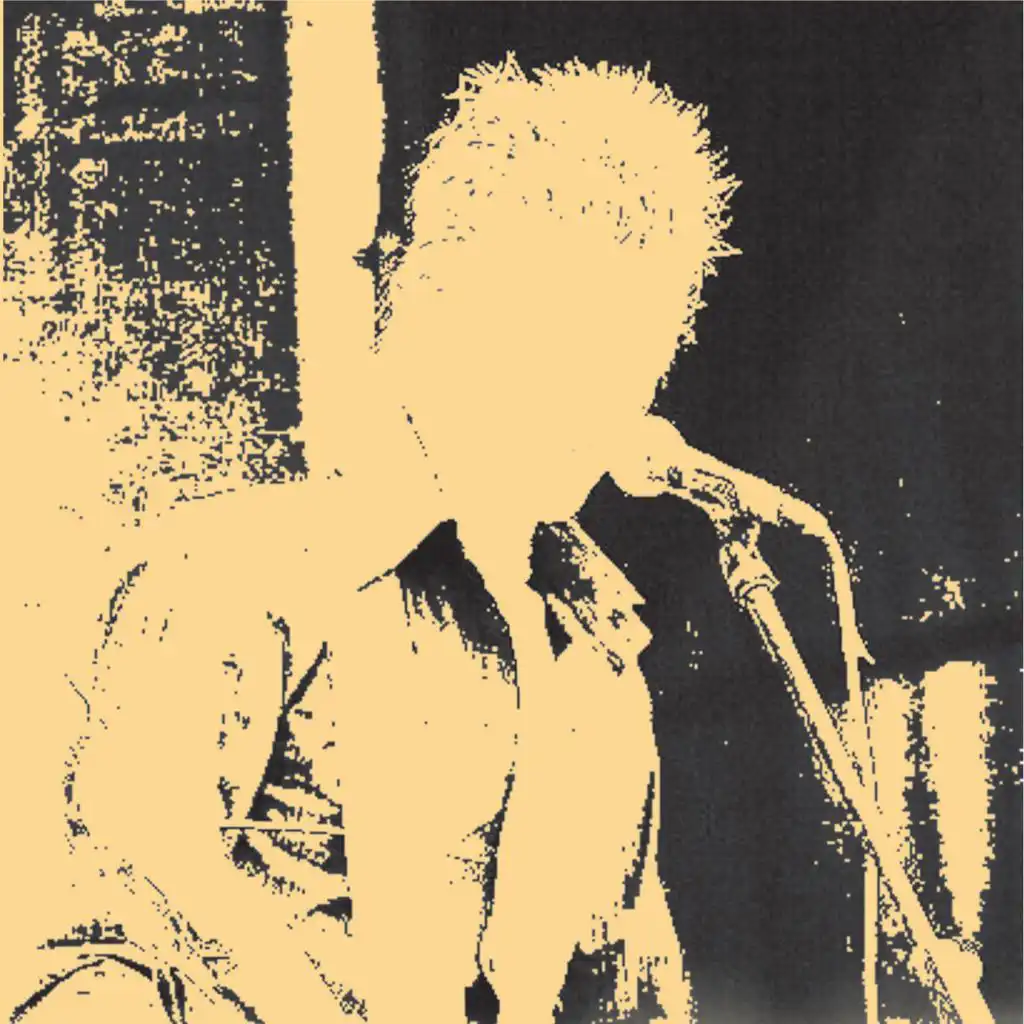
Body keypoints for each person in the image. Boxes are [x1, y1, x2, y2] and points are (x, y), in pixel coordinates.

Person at [18, 55, 736, 1023]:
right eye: (571, 332)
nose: (607, 393)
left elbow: (631, 1001)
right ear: (438, 303)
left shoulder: (602, 666)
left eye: (637, 351)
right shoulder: (234, 574)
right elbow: (100, 942)